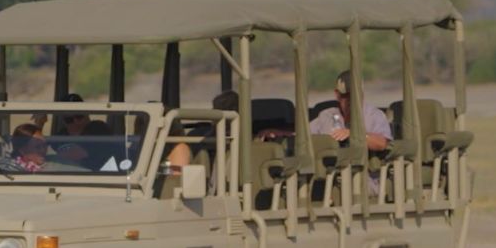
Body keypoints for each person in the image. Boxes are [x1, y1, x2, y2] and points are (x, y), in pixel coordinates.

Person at [257, 71, 391, 192]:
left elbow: (382, 143)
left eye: (356, 96)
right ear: (337, 95)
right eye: (347, 96)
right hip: (327, 178)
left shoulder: (373, 115)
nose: (351, 101)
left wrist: (354, 135)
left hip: (361, 178)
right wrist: (279, 134)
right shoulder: (327, 116)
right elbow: (305, 137)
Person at [164, 90, 237, 174]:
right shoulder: (198, 137)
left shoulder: (240, 139)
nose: (213, 113)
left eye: (217, 110)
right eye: (215, 109)